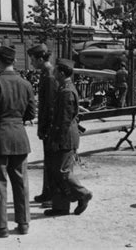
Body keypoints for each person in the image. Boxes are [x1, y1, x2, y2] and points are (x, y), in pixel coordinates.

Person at [0, 46, 36, 237]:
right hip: (20, 137)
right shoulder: (26, 84)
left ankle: (0, 226)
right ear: (14, 61)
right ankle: (23, 223)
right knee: (21, 183)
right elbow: (31, 113)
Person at [44, 58, 93, 217]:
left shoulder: (66, 91)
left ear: (62, 72)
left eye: (56, 70)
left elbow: (64, 120)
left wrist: (56, 139)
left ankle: (83, 193)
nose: (54, 72)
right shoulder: (65, 88)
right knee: (57, 171)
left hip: (64, 137)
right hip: (63, 135)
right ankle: (61, 207)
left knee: (62, 171)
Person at [27, 43, 57, 208]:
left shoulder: (49, 74)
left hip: (51, 126)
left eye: (32, 59)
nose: (31, 63)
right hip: (48, 124)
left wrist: (45, 127)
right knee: (48, 159)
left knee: (52, 161)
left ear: (40, 58)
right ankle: (47, 192)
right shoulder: (46, 73)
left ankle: (52, 195)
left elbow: (50, 105)